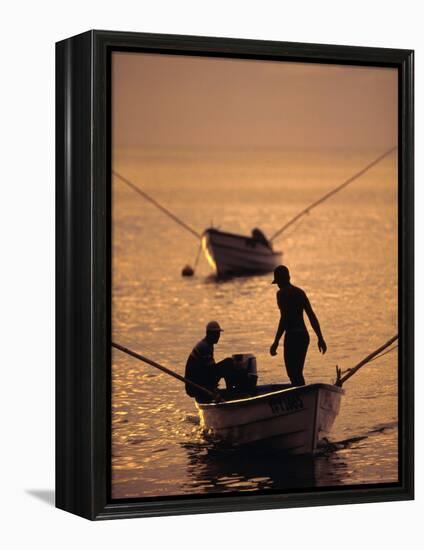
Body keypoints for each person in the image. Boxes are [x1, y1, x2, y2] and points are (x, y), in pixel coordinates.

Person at [269, 265, 327, 386]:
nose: (278, 285)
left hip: (292, 336)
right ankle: (303, 398)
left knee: (293, 374)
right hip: (303, 336)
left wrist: (276, 342)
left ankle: (302, 399)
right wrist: (320, 338)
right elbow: (311, 316)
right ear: (289, 277)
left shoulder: (281, 294)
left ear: (280, 280)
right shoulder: (300, 292)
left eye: (278, 282)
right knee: (297, 373)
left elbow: (284, 319)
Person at [185, 321, 234, 402]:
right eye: (216, 334)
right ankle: (231, 393)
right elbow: (211, 370)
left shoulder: (207, 344)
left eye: (219, 334)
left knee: (228, 364)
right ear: (210, 334)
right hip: (195, 385)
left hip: (200, 380)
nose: (218, 336)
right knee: (228, 363)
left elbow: (210, 370)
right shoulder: (204, 347)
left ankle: (228, 391)